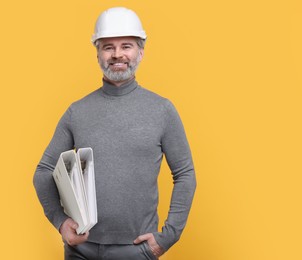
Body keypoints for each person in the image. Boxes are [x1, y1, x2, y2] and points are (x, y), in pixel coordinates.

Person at [33, 7, 196, 260]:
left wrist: (168, 236)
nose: (117, 54)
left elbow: (185, 174)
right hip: (80, 251)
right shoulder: (77, 112)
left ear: (140, 52)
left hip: (136, 251)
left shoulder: (162, 110)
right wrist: (61, 222)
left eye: (126, 46)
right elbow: (43, 172)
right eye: (108, 47)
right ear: (97, 53)